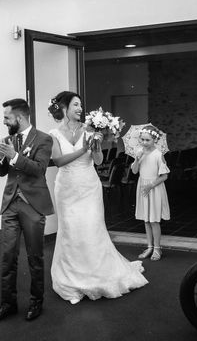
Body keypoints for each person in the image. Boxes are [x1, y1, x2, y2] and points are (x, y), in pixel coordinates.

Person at [48, 91, 147, 304]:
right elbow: (58, 161)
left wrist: (95, 147)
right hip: (66, 189)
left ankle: (97, 274)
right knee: (71, 231)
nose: (80, 109)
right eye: (75, 105)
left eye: (81, 105)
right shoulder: (53, 134)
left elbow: (99, 160)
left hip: (88, 186)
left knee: (92, 228)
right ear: (64, 108)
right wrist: (83, 148)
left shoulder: (90, 129)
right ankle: (72, 277)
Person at [0, 98, 54, 322]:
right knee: (7, 257)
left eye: (7, 117)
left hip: (33, 205)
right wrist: (0, 156)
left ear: (20, 117)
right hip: (10, 204)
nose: (4, 121)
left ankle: (36, 302)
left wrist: (14, 156)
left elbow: (39, 170)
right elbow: (0, 172)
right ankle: (8, 304)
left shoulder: (44, 139)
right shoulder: (8, 139)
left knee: (35, 256)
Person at [131, 125, 170, 261]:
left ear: (155, 140)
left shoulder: (158, 155)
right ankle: (149, 246)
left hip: (154, 188)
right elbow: (135, 171)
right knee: (146, 220)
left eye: (147, 140)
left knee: (154, 220)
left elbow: (164, 176)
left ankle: (157, 248)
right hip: (142, 187)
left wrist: (151, 185)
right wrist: (137, 159)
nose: (144, 142)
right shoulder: (140, 153)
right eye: (142, 139)